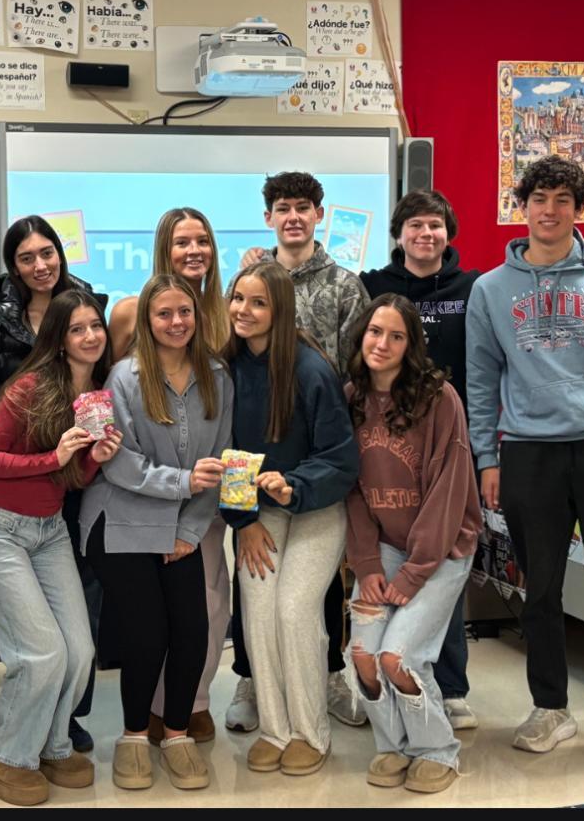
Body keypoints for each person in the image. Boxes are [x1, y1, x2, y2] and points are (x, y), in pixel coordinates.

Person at [357, 190, 584, 731]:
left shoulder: (475, 286)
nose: (425, 234)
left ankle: (450, 687)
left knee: (443, 563)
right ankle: (395, 679)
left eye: (435, 225)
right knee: (396, 563)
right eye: (414, 225)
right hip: (388, 451)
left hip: (453, 445)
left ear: (448, 233)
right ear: (399, 233)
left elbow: (486, 366)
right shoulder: (371, 285)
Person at [466, 155, 584, 752]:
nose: (549, 211)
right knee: (540, 591)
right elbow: (480, 380)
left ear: (578, 210)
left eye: (562, 201)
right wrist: (487, 459)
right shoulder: (490, 289)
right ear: (522, 208)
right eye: (539, 200)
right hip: (529, 453)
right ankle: (550, 707)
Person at [0, 289, 123, 806]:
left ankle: (52, 745)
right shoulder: (29, 387)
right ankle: (6, 756)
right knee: (42, 653)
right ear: (58, 338)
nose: (91, 336)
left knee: (79, 650)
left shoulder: (95, 395)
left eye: (95, 326)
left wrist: (93, 458)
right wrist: (52, 457)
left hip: (48, 530)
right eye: (77, 329)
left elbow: (72, 479)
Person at [79, 274, 234, 791]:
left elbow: (220, 462)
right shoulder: (124, 377)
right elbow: (118, 462)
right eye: (163, 313)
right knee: (147, 634)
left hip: (180, 524)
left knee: (193, 630)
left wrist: (190, 528)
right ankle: (132, 737)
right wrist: (183, 483)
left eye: (184, 312)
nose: (176, 322)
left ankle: (176, 735)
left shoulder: (218, 376)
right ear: (146, 320)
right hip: (120, 520)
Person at [231, 171, 369, 731]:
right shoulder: (232, 359)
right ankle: (256, 686)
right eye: (282, 207)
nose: (293, 216)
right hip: (259, 492)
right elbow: (230, 450)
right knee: (257, 600)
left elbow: (359, 372)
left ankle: (325, 680)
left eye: (303, 207)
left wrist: (316, 475)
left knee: (305, 602)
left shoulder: (343, 289)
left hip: (320, 471)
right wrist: (240, 516)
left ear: (318, 214)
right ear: (269, 217)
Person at [343, 293, 482, 794]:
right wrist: (366, 563)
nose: (382, 344)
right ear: (361, 336)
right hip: (382, 546)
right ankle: (393, 746)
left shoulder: (439, 399)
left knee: (397, 658)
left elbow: (449, 492)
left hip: (440, 550)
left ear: (411, 345)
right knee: (363, 654)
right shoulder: (350, 397)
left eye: (396, 336)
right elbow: (351, 489)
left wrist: (414, 571)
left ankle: (437, 750)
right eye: (375, 332)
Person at [224, 262, 359, 776]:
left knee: (295, 611)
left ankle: (309, 732)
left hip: (316, 507)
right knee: (258, 613)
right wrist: (243, 522)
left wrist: (295, 485)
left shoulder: (311, 369)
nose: (244, 310)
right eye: (238, 298)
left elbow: (340, 458)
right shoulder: (227, 368)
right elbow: (226, 453)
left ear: (280, 310)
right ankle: (275, 730)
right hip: (258, 514)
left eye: (258, 302)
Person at [106, 208, 230, 744]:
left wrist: (195, 508)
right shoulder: (128, 315)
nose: (194, 250)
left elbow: (222, 423)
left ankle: (189, 704)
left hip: (205, 491)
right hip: (142, 493)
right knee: (152, 620)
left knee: (206, 607)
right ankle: (151, 712)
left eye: (203, 240)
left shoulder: (225, 314)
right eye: (182, 241)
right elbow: (118, 400)